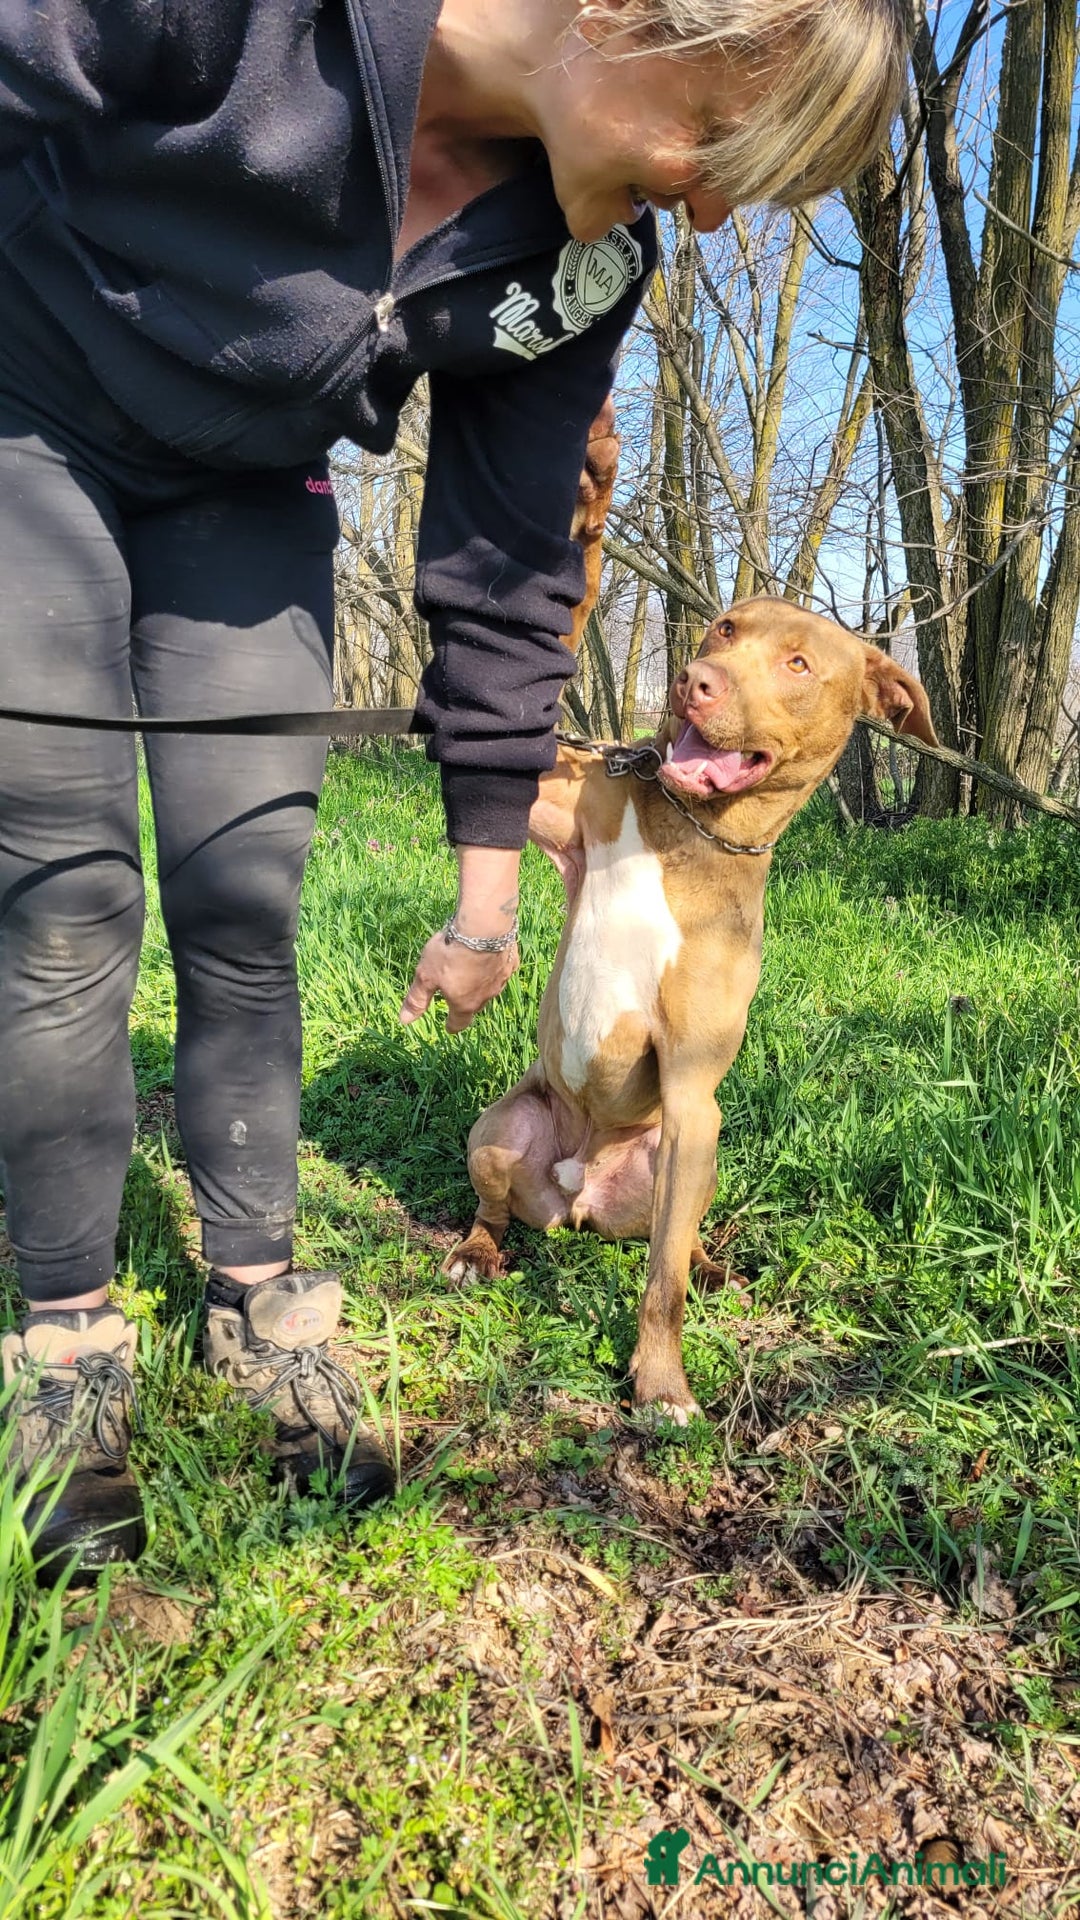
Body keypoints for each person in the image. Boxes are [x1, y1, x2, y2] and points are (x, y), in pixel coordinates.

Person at [0, 0, 907, 1577]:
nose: (702, 208)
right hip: (33, 417)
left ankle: (263, 1300)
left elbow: (503, 560)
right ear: (629, 12)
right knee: (68, 896)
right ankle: (67, 1341)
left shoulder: (586, 267)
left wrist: (492, 890)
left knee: (243, 890)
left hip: (244, 495)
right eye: (714, 140)